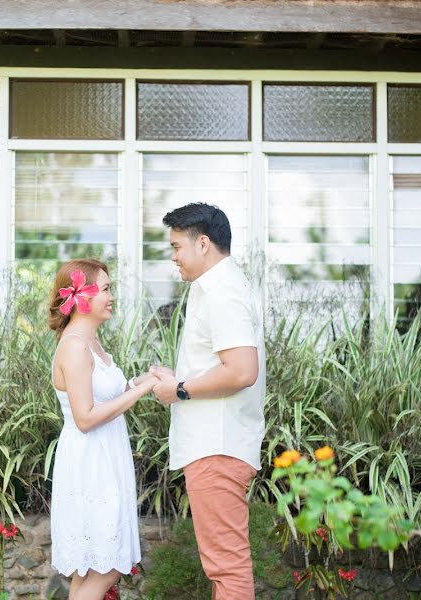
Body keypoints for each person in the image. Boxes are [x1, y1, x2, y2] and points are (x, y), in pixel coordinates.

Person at [150, 203, 266, 600]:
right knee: (222, 566)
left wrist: (178, 389)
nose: (173, 257)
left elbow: (241, 371)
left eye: (177, 246)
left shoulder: (223, 291)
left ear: (203, 243)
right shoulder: (217, 289)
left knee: (226, 568)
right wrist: (178, 381)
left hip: (217, 446)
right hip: (216, 444)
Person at [47, 258, 155, 600]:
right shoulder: (75, 347)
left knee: (92, 570)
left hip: (107, 461)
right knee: (106, 567)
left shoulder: (91, 342)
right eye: (106, 289)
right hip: (90, 466)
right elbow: (86, 417)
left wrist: (143, 380)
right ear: (82, 297)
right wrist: (139, 392)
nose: (111, 296)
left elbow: (106, 395)